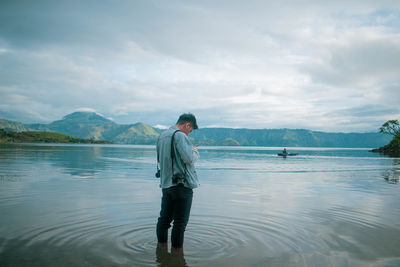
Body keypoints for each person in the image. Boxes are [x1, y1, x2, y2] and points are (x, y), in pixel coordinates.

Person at [156, 113, 199, 255]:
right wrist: (194, 151)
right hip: (182, 186)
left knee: (164, 221)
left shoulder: (161, 136)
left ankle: (161, 252)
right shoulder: (180, 136)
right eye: (190, 130)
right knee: (179, 224)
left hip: (166, 185)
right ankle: (177, 257)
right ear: (187, 125)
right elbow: (189, 159)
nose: (189, 133)